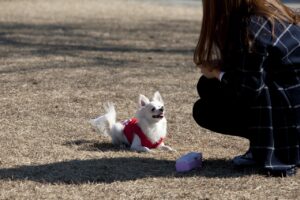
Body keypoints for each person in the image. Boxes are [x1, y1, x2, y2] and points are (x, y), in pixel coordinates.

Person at [193, 0, 300, 176]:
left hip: (286, 118)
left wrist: (217, 73)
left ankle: (265, 147)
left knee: (204, 108)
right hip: (293, 102)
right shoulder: (273, 11)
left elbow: (249, 89)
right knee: (206, 87)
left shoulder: (250, 26)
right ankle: (262, 144)